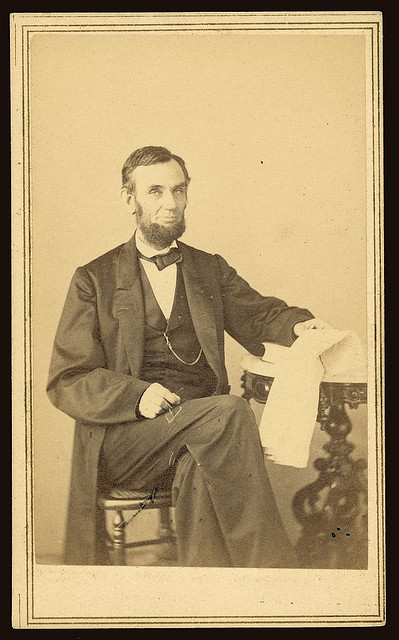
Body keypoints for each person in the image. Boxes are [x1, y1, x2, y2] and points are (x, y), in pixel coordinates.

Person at [47, 145, 330, 567]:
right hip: (127, 439)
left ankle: (202, 592)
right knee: (231, 412)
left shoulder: (207, 268)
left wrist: (296, 326)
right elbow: (67, 379)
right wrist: (135, 395)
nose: (171, 204)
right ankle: (276, 573)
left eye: (179, 191)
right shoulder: (95, 278)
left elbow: (259, 315)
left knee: (203, 464)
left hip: (198, 434)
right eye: (156, 191)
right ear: (130, 200)